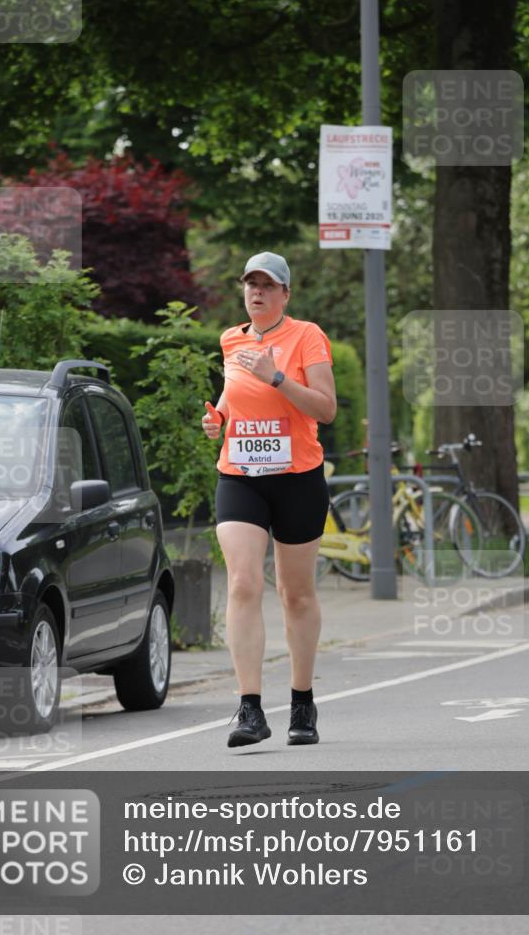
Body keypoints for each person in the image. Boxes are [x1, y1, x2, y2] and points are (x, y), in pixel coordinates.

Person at [201, 251, 337, 749]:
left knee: (295, 593)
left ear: (285, 294)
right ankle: (250, 709)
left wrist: (276, 376)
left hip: (297, 476)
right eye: (250, 284)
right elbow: (232, 396)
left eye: (268, 284)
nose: (257, 291)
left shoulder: (307, 336)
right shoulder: (230, 339)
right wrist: (217, 417)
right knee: (242, 583)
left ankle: (302, 702)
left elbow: (325, 409)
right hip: (241, 474)